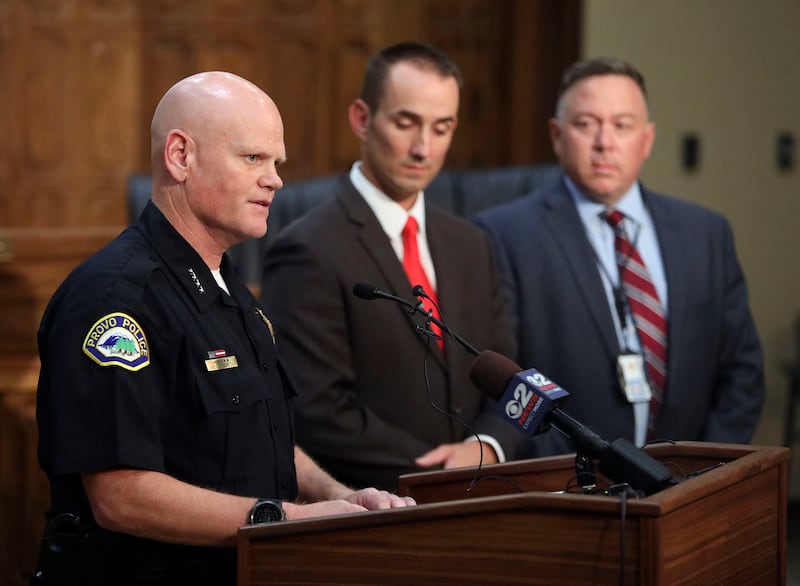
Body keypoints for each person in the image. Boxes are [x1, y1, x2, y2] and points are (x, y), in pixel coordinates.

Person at [33, 71, 414, 586]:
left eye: (277, 163)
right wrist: (293, 520)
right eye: (253, 158)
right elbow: (120, 497)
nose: (276, 179)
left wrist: (337, 496)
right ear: (180, 156)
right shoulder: (117, 297)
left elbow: (258, 440)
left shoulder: (230, 287)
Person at [259, 42, 524, 491]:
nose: (423, 148)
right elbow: (318, 412)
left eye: (442, 128)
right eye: (407, 123)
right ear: (362, 119)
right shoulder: (307, 249)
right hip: (377, 505)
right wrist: (440, 475)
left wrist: (488, 446)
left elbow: (508, 374)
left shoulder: (471, 243)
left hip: (480, 496)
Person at [475, 57, 765, 459]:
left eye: (622, 125)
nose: (604, 142)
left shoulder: (706, 233)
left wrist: (707, 466)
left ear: (646, 140)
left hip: (694, 485)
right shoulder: (502, 234)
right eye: (586, 124)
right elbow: (507, 380)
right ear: (557, 136)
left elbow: (742, 373)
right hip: (569, 484)